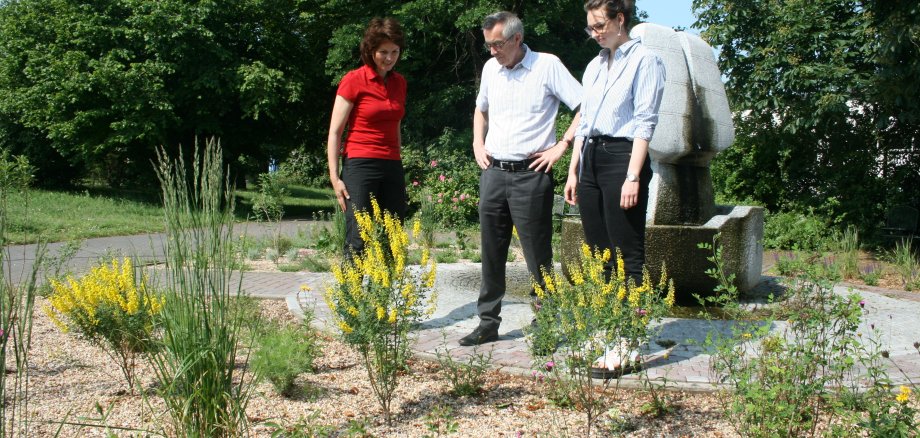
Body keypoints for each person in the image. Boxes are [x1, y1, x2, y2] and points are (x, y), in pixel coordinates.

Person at [459, 11, 582, 346]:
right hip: (494, 173)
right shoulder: (490, 70)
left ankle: (545, 325)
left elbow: (586, 106)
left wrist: (562, 146)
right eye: (488, 45)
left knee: (537, 256)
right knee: (491, 252)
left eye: (497, 44)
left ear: (516, 38)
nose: (492, 51)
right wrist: (477, 142)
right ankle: (488, 323)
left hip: (532, 175)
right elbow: (480, 108)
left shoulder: (547, 66)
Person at [564, 0, 666, 373]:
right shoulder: (594, 66)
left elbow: (645, 121)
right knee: (599, 252)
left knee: (627, 253)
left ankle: (628, 342)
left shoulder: (647, 61)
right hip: (590, 157)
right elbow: (585, 120)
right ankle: (605, 329)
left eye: (600, 25)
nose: (594, 33)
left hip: (623, 158)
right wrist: (573, 170)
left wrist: (633, 175)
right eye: (590, 27)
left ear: (620, 19)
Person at [327, 17, 407, 257]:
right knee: (358, 238)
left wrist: (397, 158)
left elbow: (396, 125)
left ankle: (384, 294)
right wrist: (335, 177)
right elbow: (335, 132)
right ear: (371, 51)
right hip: (360, 164)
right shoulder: (354, 80)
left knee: (393, 238)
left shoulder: (400, 83)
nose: (390, 58)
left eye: (395, 51)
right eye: (384, 52)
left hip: (392, 164)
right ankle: (352, 295)